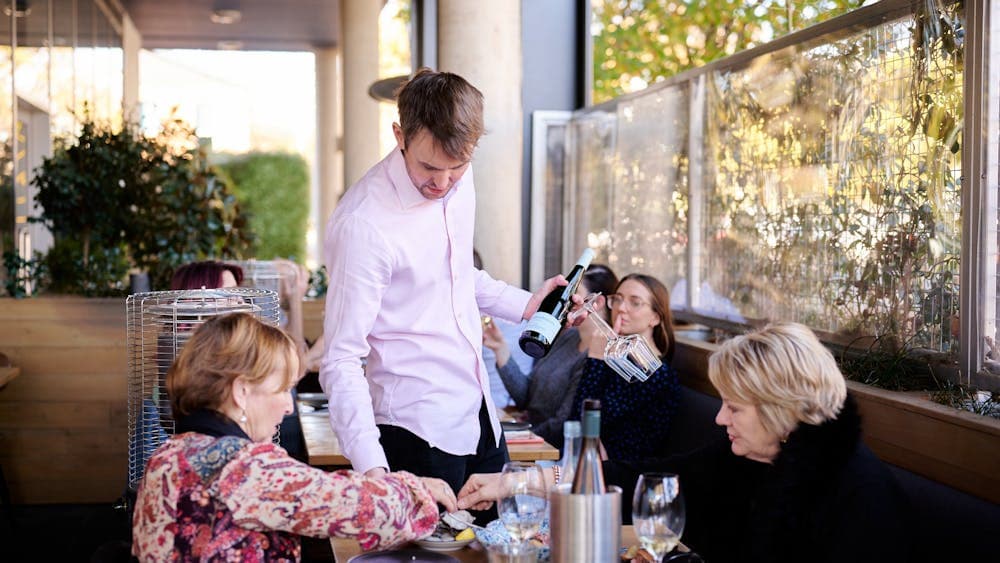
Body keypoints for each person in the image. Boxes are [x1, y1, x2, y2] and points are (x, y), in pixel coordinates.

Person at [319, 69, 576, 501]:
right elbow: (340, 359)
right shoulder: (363, 226)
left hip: (478, 415)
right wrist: (375, 471)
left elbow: (455, 275)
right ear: (400, 135)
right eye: (429, 167)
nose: (442, 183)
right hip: (413, 429)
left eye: (457, 167)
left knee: (497, 545)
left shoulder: (458, 176)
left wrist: (529, 304)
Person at [459, 322, 911, 563]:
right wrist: (518, 484)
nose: (719, 418)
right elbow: (648, 481)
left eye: (734, 407)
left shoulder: (850, 493)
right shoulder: (755, 454)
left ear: (781, 408)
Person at [132, 313, 457, 561]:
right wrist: (418, 489)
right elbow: (355, 507)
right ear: (242, 391)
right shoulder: (242, 466)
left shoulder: (167, 455)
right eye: (282, 389)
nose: (289, 406)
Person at [483, 263, 618, 448]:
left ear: (597, 302)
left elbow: (561, 426)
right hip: (530, 439)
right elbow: (526, 398)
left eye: (574, 292)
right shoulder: (567, 337)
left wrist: (521, 437)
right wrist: (500, 349)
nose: (564, 298)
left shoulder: (597, 357)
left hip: (550, 451)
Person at [571, 273, 680, 460]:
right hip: (590, 461)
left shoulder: (655, 373)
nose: (621, 308)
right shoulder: (617, 358)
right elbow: (576, 423)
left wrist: (596, 360)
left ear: (655, 317)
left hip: (622, 472)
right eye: (618, 300)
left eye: (635, 302)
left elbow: (589, 421)